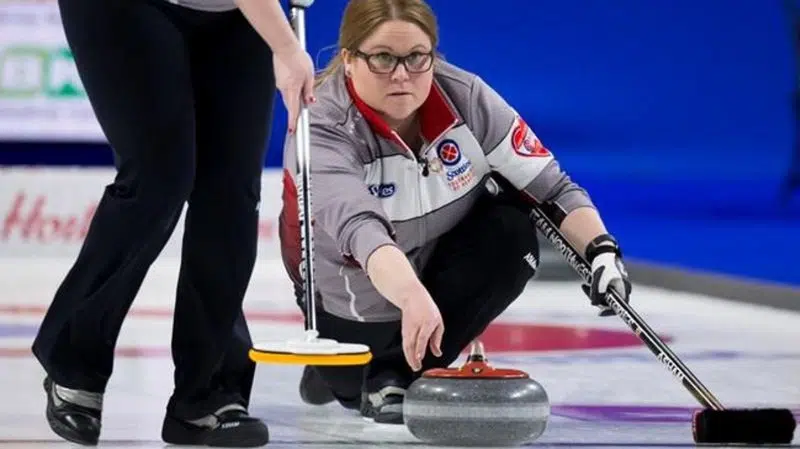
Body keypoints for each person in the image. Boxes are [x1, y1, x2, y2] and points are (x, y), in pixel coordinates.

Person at [277, 0, 633, 425]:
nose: (402, 74)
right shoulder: (321, 126)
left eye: (416, 57)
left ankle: (400, 373)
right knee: (355, 390)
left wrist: (602, 252)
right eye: (383, 58)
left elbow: (552, 188)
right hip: (353, 299)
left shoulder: (465, 98)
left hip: (432, 282)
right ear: (350, 60)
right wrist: (411, 297)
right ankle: (333, 373)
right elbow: (361, 230)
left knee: (511, 227)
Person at [30, 0, 314, 446]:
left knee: (232, 190)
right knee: (159, 177)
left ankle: (208, 390)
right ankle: (74, 361)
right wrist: (285, 47)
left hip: (239, 15)